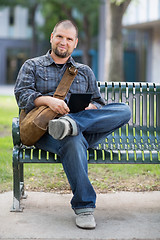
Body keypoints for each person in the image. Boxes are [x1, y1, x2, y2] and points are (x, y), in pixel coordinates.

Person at [14, 19, 131, 229]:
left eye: (69, 39)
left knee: (124, 109)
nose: (63, 42)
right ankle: (85, 207)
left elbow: (99, 102)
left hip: (83, 126)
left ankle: (73, 123)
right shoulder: (32, 65)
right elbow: (23, 96)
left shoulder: (84, 71)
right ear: (52, 37)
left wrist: (90, 109)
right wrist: (49, 100)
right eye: (59, 36)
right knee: (72, 139)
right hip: (47, 130)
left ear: (75, 43)